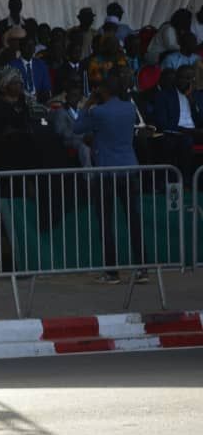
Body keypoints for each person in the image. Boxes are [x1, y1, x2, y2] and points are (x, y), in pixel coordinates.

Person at [73, 68, 147, 285]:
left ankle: (112, 272)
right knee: (134, 220)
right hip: (130, 167)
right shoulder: (129, 108)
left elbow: (78, 127)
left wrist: (87, 104)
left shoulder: (98, 112)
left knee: (106, 222)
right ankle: (143, 268)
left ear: (103, 90)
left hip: (106, 170)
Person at [150, 65, 203, 178]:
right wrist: (186, 131)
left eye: (191, 78)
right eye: (185, 78)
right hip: (177, 133)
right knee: (186, 141)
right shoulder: (164, 95)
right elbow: (162, 122)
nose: (188, 82)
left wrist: (193, 103)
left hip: (196, 131)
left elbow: (201, 120)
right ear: (177, 79)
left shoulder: (197, 95)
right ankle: (186, 181)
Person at [0, 68, 32, 174]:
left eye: (19, 82)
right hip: (2, 150)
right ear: (5, 86)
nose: (18, 85)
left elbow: (26, 123)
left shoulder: (22, 103)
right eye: (14, 83)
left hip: (23, 147)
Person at [47, 77, 91, 166]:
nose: (72, 98)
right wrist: (82, 137)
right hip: (69, 141)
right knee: (84, 147)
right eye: (71, 95)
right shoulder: (61, 111)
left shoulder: (82, 111)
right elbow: (60, 131)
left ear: (80, 98)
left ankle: (105, 175)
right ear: (66, 96)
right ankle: (89, 177)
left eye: (75, 96)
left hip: (85, 139)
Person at [9, 37, 52, 103]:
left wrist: (38, 96)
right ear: (21, 48)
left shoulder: (41, 64)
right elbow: (13, 89)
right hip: (21, 101)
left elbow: (46, 87)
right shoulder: (13, 65)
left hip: (39, 100)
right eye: (27, 45)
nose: (30, 48)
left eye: (32, 45)